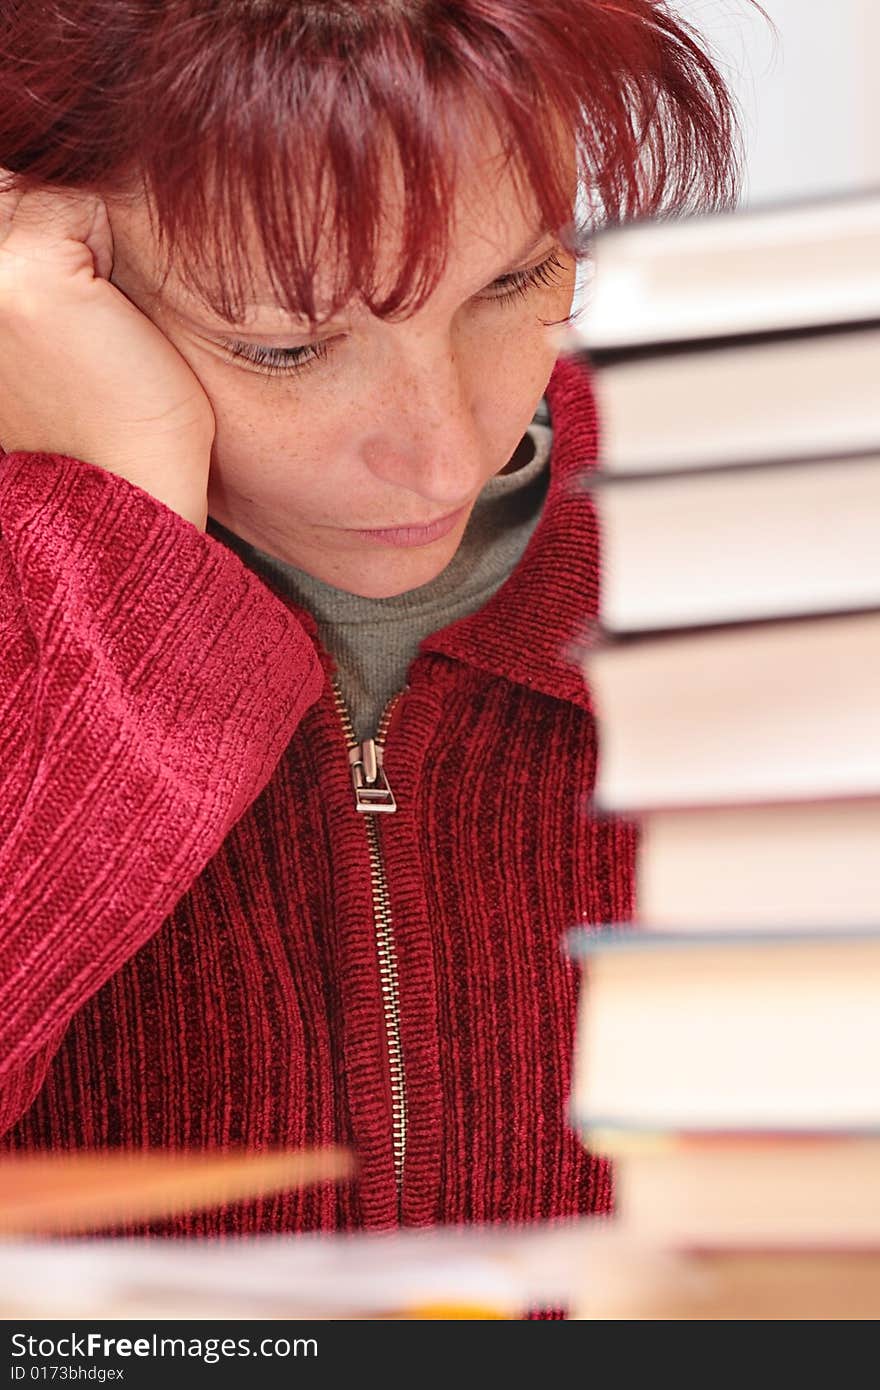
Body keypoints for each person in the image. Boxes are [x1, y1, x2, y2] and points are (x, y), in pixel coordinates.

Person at [0, 0, 745, 1313]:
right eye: (285, 345)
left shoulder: (769, 563)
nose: (444, 452)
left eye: (517, 278)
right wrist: (109, 608)